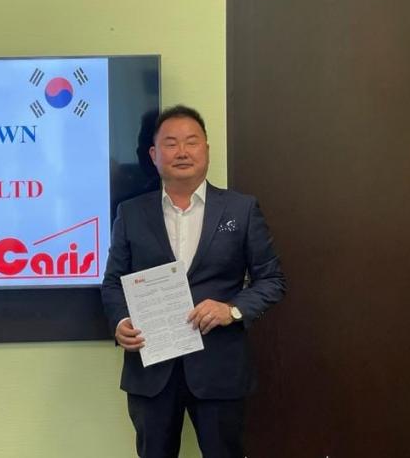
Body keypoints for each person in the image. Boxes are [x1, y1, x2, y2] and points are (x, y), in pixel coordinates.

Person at [101, 105, 285, 458]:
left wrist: (231, 310)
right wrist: (121, 321)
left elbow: (272, 279)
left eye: (191, 141)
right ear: (154, 155)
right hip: (152, 370)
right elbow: (113, 283)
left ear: (207, 149)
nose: (182, 152)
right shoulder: (131, 213)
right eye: (170, 144)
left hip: (220, 369)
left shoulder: (241, 209)